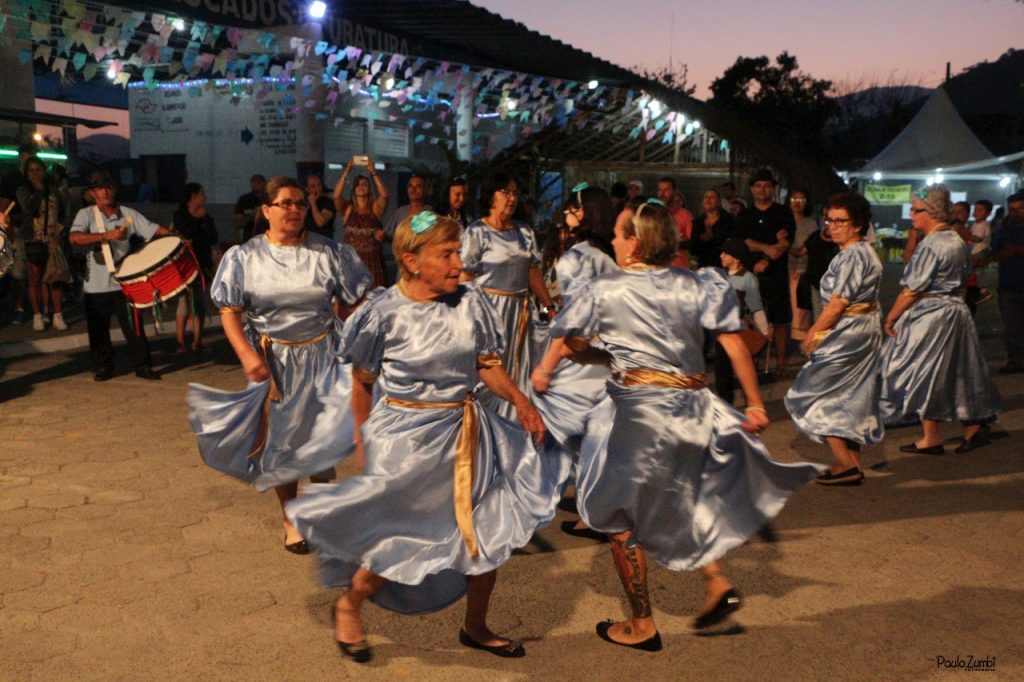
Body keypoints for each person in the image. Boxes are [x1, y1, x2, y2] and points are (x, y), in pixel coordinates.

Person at [535, 200, 820, 650]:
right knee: (684, 494)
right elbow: (733, 344)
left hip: (642, 414)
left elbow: (570, 341)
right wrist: (754, 404)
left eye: (619, 234)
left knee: (619, 517)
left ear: (636, 241)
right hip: (695, 407)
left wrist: (564, 363)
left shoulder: (606, 289)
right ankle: (716, 581)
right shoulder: (697, 284)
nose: (612, 241)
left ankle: (642, 624)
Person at [286, 212, 554, 663]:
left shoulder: (472, 302)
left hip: (468, 432)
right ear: (412, 260)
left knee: (488, 529)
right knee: (399, 540)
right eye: (446, 254)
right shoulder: (382, 312)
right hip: (406, 441)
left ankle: (476, 625)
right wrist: (364, 443)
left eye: (458, 252)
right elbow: (363, 382)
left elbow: (486, 366)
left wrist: (522, 403)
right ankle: (350, 603)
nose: (458, 263)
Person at [187, 176, 372, 553]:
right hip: (274, 361)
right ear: (267, 210)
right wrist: (247, 354)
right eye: (286, 203)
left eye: (300, 203)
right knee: (282, 444)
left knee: (323, 440)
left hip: (324, 355)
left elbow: (356, 299)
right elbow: (229, 312)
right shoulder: (245, 256)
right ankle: (291, 520)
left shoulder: (328, 252)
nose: (295, 209)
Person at [880, 186, 1003, 453]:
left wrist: (891, 317)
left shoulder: (933, 244)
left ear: (932, 212)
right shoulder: (955, 239)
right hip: (956, 311)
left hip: (934, 315)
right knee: (959, 372)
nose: (911, 214)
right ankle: (968, 429)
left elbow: (912, 288)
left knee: (923, 371)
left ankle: (934, 435)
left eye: (916, 209)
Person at [531, 183, 618, 541]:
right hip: (612, 356)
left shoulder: (577, 258)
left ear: (583, 213)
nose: (568, 209)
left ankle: (576, 506)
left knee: (555, 421)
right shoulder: (612, 253)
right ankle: (591, 505)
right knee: (592, 433)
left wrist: (547, 365)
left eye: (574, 205)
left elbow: (574, 322)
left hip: (583, 357)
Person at [786, 192, 884, 486]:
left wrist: (814, 333)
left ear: (857, 225)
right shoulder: (864, 252)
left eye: (841, 221)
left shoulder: (853, 255)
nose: (833, 226)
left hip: (849, 332)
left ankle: (844, 461)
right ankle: (852, 464)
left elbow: (838, 303)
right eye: (830, 220)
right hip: (863, 329)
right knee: (850, 396)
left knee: (816, 392)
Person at [460, 173, 556, 420]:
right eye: (505, 192)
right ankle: (482, 423)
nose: (511, 198)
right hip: (489, 312)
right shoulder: (477, 232)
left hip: (519, 313)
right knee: (489, 368)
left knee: (518, 369)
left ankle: (515, 423)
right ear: (491, 196)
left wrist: (548, 305)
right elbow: (465, 277)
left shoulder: (524, 232)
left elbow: (532, 270)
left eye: (514, 193)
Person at [69, 173, 170, 381]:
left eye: (108, 187)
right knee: (99, 330)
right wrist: (104, 235)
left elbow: (153, 229)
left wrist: (175, 238)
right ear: (93, 193)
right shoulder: (86, 214)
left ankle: (142, 366)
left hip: (124, 283)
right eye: (99, 188)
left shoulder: (127, 214)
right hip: (95, 285)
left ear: (114, 190)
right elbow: (74, 238)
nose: (104, 191)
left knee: (134, 327)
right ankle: (103, 367)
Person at [736, 169, 796, 376]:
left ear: (773, 189)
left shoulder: (783, 213)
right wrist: (766, 248)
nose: (763, 189)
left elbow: (784, 244)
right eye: (759, 185)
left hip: (777, 273)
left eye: (767, 185)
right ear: (752, 189)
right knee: (753, 317)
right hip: (752, 275)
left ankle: (780, 361)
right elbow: (746, 242)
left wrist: (769, 254)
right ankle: (752, 357)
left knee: (780, 319)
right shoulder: (745, 215)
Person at [713, 238, 769, 404]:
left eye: (726, 253)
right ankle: (726, 404)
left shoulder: (748, 278)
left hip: (740, 329)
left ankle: (751, 403)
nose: (721, 255)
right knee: (721, 371)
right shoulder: (719, 275)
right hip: (721, 329)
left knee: (745, 368)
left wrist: (764, 331)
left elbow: (756, 307)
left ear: (736, 258)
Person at [17, 157, 69, 331]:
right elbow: (29, 209)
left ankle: (57, 315)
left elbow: (62, 212)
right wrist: (38, 192)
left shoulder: (54, 190)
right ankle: (38, 315)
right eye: (30, 170)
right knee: (35, 279)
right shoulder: (24, 190)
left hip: (52, 239)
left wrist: (60, 232)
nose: (35, 173)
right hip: (33, 238)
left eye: (38, 169)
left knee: (55, 278)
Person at [171, 183, 219, 353]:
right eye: (202, 193)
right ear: (193, 196)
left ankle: (197, 340)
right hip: (185, 264)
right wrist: (198, 221)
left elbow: (213, 238)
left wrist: (204, 219)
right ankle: (179, 341)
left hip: (202, 264)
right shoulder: (180, 215)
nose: (204, 197)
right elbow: (187, 234)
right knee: (184, 302)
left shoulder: (206, 216)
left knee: (200, 302)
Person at [333, 157, 389, 288]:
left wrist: (373, 172)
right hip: (352, 261)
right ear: (353, 189)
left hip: (372, 261)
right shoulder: (348, 209)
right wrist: (347, 172)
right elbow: (336, 196)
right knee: (352, 298)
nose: (361, 187)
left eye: (365, 184)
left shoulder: (375, 208)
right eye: (358, 184)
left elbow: (385, 196)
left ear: (369, 188)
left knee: (373, 298)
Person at [0, 143, 37, 324]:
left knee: (23, 271)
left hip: (31, 231)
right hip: (15, 230)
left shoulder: (34, 179)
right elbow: (4, 205)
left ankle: (22, 306)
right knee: (17, 271)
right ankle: (18, 307)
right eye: (29, 155)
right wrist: (7, 230)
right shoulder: (14, 177)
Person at [992, 191, 1024, 374]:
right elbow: (996, 254)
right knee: (1012, 327)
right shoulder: (1004, 230)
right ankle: (1015, 360)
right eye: (1012, 209)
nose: (1016, 213)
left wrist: (1013, 250)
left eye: (1020, 209)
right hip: (1008, 285)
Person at [786, 188, 817, 338]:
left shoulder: (810, 223)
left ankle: (802, 343)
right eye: (794, 199)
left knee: (801, 310)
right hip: (784, 269)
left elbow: (808, 247)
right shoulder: (783, 221)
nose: (797, 203)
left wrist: (786, 247)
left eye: (801, 200)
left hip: (802, 270)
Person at [691, 187, 736, 269]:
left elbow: (732, 243)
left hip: (723, 266)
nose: (708, 199)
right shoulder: (697, 222)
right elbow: (693, 248)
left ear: (718, 202)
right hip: (703, 266)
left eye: (712, 197)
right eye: (706, 197)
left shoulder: (729, 220)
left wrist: (714, 237)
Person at [656, 176, 693, 268]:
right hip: (657, 268)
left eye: (666, 190)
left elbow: (692, 242)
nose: (662, 194)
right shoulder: (653, 214)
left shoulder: (685, 215)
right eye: (660, 190)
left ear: (675, 192)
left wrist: (671, 243)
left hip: (678, 268)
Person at [384, 173, 431, 240]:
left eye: (418, 186)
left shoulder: (430, 212)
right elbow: (389, 236)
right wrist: (382, 236)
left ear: (426, 190)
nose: (413, 190)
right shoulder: (400, 212)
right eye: (410, 186)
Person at [303, 174, 335, 239]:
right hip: (307, 242)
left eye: (319, 185)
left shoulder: (328, 202)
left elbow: (320, 222)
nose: (317, 189)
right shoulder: (304, 203)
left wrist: (313, 203)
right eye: (313, 186)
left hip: (324, 242)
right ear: (307, 189)